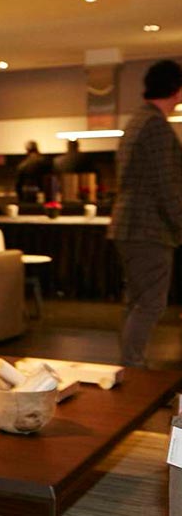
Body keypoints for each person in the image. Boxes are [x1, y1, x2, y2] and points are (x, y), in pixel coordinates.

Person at [107, 59, 182, 368]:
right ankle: (133, 366)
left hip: (129, 225)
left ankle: (130, 366)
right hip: (148, 228)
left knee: (137, 300)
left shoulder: (138, 120)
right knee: (151, 302)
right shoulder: (155, 126)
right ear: (176, 90)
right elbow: (168, 186)